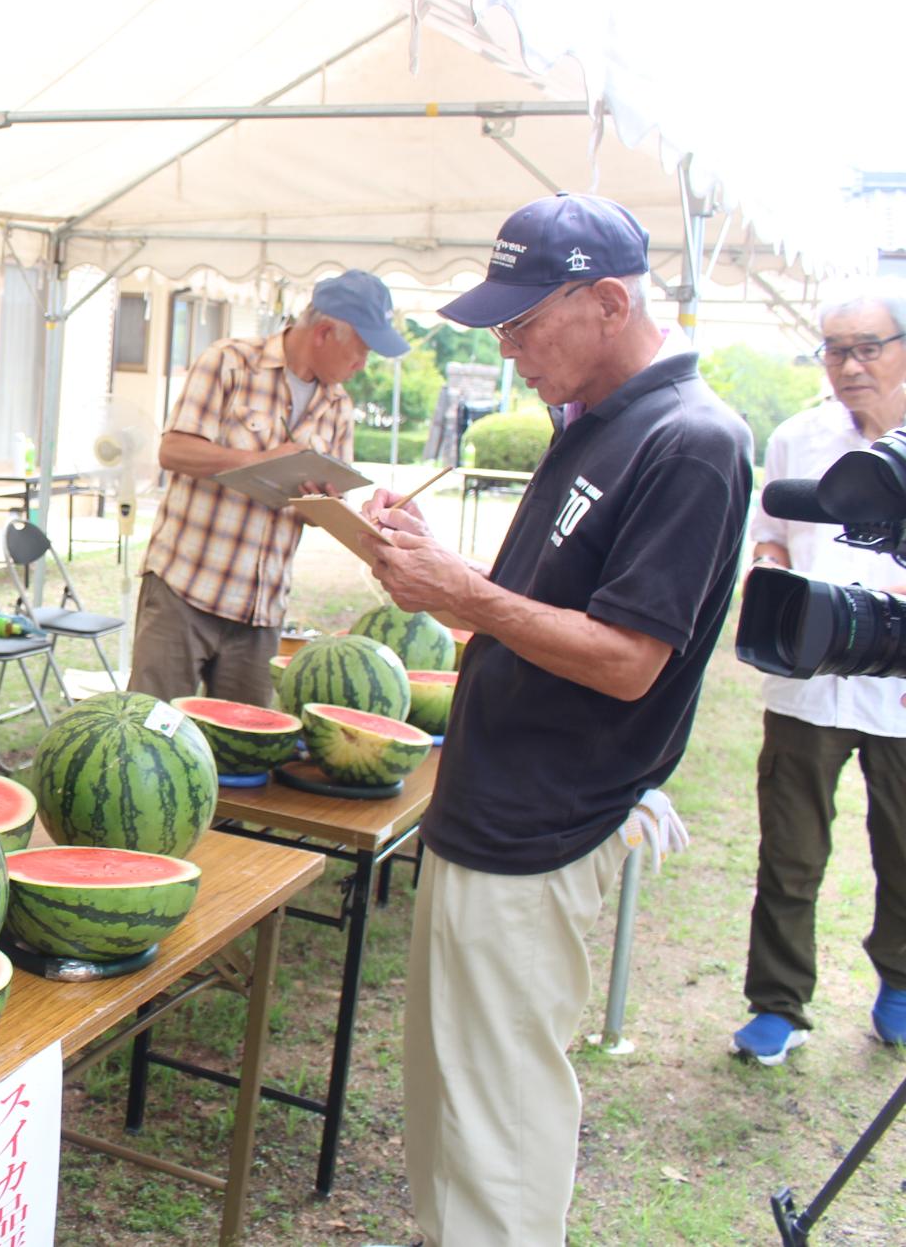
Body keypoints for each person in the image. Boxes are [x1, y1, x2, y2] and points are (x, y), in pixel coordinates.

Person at [360, 192, 752, 1245]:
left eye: (525, 322)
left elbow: (627, 661)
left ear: (609, 300)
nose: (510, 346)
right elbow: (547, 604)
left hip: (545, 822)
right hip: (488, 805)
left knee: (500, 1118)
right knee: (450, 1097)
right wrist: (436, 570)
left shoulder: (689, 441)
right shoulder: (595, 424)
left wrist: (458, 593)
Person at [733, 289, 906, 1065]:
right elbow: (771, 533)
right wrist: (770, 575)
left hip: (899, 692)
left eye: (868, 346)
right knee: (790, 849)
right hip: (805, 683)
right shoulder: (799, 439)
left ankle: (900, 983)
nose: (850, 364)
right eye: (834, 349)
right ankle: (777, 1002)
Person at [128, 270, 408, 704]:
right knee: (152, 733)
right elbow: (174, 452)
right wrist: (258, 462)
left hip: (262, 608)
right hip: (184, 589)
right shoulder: (228, 361)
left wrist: (334, 507)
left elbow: (320, 513)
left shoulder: (338, 407)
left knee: (246, 753)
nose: (363, 365)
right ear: (324, 333)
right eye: (363, 350)